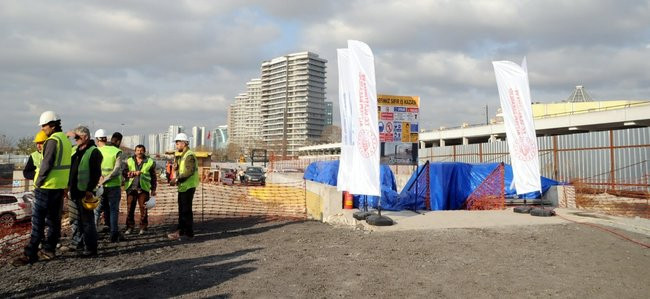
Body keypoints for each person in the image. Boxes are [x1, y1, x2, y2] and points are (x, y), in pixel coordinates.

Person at [13, 111, 72, 266]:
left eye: (44, 125)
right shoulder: (65, 140)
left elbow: (46, 165)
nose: (42, 129)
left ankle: (30, 253)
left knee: (38, 223)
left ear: (52, 124)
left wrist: (38, 182)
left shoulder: (52, 141)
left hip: (46, 187)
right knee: (54, 221)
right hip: (59, 187)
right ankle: (49, 250)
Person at [68, 126, 102, 257]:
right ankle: (80, 243)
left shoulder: (94, 151)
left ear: (86, 137)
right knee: (77, 220)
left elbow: (95, 173)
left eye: (78, 137)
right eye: (75, 137)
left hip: (85, 192)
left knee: (87, 222)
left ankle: (91, 248)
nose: (75, 139)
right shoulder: (76, 151)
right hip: (75, 191)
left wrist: (89, 189)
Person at [94, 129, 124, 242]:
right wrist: (106, 179)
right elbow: (116, 170)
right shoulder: (116, 151)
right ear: (106, 139)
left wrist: (100, 180)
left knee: (96, 210)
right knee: (113, 210)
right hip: (114, 185)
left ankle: (93, 233)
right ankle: (113, 234)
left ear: (97, 140)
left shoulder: (95, 151)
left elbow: (92, 169)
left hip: (99, 186)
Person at [167, 133, 198, 241]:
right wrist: (176, 167)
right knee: (183, 210)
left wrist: (177, 179)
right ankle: (183, 232)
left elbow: (189, 171)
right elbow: (183, 169)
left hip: (188, 186)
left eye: (177, 143)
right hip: (184, 186)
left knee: (185, 211)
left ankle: (186, 233)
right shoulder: (183, 155)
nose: (176, 145)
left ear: (183, 143)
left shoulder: (189, 155)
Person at [124, 144, 157, 235]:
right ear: (135, 151)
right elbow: (124, 172)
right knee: (130, 209)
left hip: (143, 188)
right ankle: (130, 227)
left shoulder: (150, 162)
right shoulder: (129, 161)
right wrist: (129, 173)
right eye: (137, 150)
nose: (139, 152)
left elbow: (153, 177)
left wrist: (153, 189)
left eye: (141, 150)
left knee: (144, 209)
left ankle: (143, 227)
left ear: (144, 151)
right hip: (131, 188)